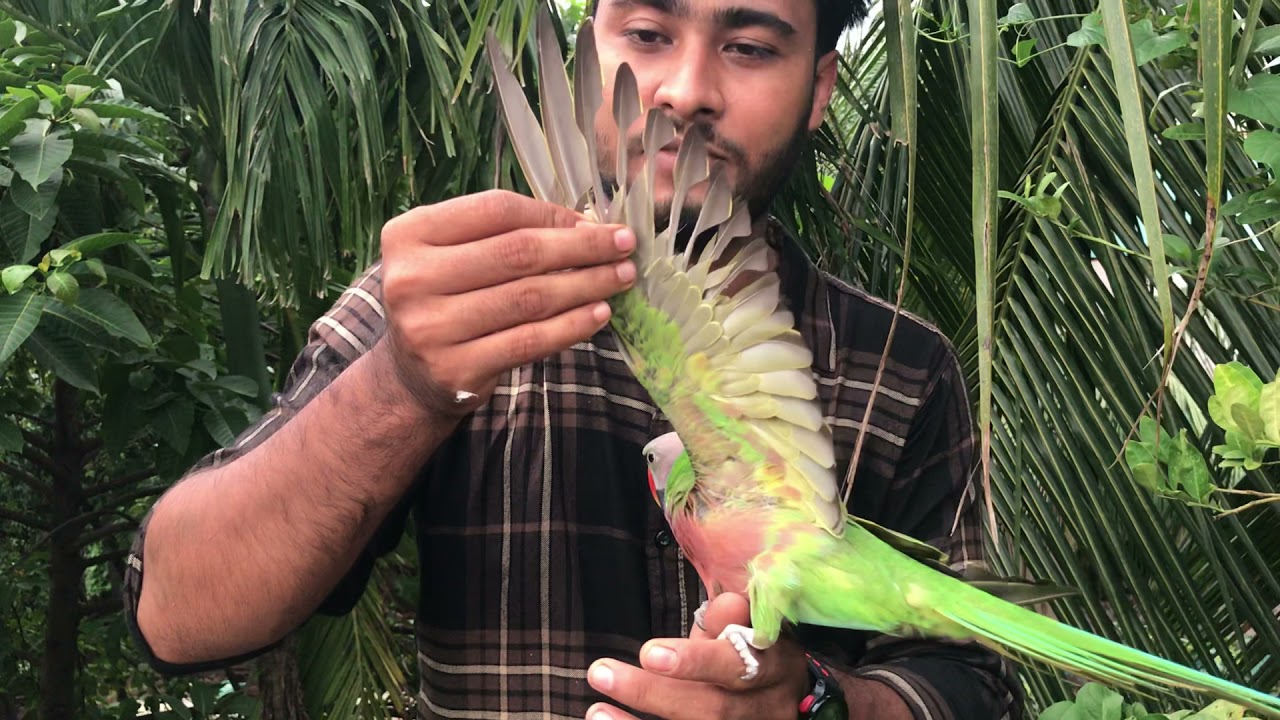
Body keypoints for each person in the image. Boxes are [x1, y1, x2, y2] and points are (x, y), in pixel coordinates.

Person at [123, 1, 1025, 718]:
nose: (682, 90)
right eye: (645, 34)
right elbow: (176, 615)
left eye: (749, 46)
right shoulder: (439, 314)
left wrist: (820, 705)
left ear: (821, 85)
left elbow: (976, 682)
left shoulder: (903, 365)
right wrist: (403, 384)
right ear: (590, 47)